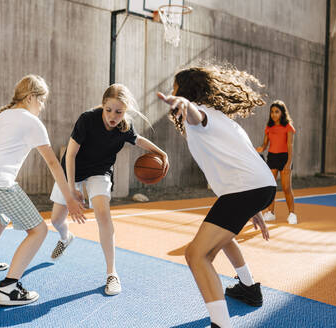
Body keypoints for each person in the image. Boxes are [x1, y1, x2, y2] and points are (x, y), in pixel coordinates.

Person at [157, 66, 276, 328]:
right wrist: (254, 208)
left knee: (196, 255)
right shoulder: (224, 120)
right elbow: (246, 159)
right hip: (257, 186)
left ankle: (221, 325)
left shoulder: (201, 117)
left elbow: (195, 114)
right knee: (219, 239)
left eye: (176, 88)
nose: (172, 92)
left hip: (245, 188)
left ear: (186, 91)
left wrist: (183, 103)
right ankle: (248, 288)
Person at [0, 74, 86, 306]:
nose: (42, 106)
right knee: (39, 231)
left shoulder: (0, 116)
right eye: (42, 100)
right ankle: (9, 288)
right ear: (31, 97)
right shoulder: (31, 122)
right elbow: (54, 164)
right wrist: (69, 198)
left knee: (3, 216)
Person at [48, 83, 169, 296]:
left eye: (119, 112)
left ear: (126, 111)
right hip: (72, 168)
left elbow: (138, 140)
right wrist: (71, 191)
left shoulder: (125, 126)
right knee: (57, 219)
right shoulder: (87, 119)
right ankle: (66, 237)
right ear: (103, 106)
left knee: (103, 215)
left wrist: (162, 153)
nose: (113, 116)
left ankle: (112, 273)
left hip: (100, 171)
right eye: (109, 110)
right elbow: (70, 155)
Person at [256, 100, 297, 224]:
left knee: (286, 188)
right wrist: (256, 149)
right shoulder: (269, 127)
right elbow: (264, 145)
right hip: (272, 158)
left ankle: (292, 214)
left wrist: (288, 163)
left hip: (284, 158)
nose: (274, 114)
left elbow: (290, 146)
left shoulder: (288, 127)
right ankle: (270, 213)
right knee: (271, 188)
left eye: (277, 112)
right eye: (272, 112)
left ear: (282, 113)